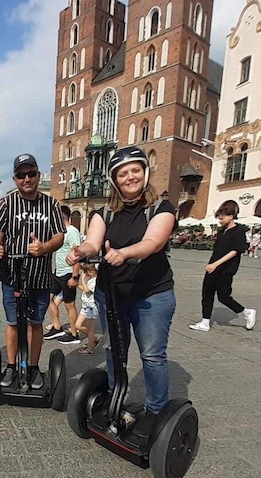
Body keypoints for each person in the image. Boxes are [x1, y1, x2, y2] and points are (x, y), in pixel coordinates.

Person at [66, 146, 177, 438]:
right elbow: (93, 241)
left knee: (152, 355)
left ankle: (156, 412)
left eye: (135, 171)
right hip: (112, 293)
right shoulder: (105, 213)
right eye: (123, 173)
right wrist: (81, 251)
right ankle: (117, 402)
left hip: (152, 294)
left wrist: (124, 253)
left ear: (145, 172)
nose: (130, 177)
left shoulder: (161, 209)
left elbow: (153, 241)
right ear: (115, 180)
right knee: (115, 349)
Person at [0, 153, 65, 390]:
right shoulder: (6, 204)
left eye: (31, 173)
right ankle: (11, 365)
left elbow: (59, 237)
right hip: (12, 274)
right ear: (15, 179)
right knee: (13, 322)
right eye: (21, 175)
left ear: (38, 175)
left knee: (35, 323)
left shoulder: (51, 204)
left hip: (40, 276)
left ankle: (32, 367)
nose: (27, 178)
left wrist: (44, 247)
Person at [189, 200, 255, 333]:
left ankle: (246, 312)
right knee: (207, 293)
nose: (220, 220)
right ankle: (205, 322)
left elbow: (235, 251)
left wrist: (216, 264)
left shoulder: (239, 231)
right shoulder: (222, 231)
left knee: (223, 296)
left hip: (226, 269)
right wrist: (211, 264)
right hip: (213, 267)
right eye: (219, 217)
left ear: (231, 216)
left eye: (222, 218)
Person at [44, 205, 82, 345]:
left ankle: (74, 334)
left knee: (69, 305)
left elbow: (77, 255)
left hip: (68, 273)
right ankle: (57, 327)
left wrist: (75, 277)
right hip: (58, 272)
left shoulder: (72, 232)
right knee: (46, 297)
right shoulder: (60, 232)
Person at [74, 263, 99, 354]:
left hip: (91, 306)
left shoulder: (95, 280)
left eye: (86, 271)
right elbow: (85, 289)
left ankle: (90, 348)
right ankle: (93, 339)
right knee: (78, 325)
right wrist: (77, 285)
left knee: (91, 328)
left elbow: (87, 290)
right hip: (85, 306)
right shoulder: (91, 279)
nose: (85, 273)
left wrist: (83, 279)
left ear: (92, 271)